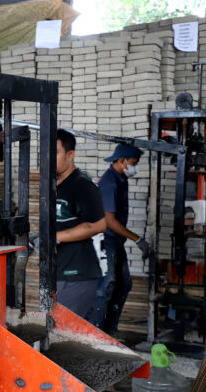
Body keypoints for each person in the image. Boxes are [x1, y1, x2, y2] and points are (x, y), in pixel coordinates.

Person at [88, 143, 150, 334]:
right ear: (122, 161)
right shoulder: (110, 182)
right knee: (107, 284)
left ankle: (110, 331)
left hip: (116, 241)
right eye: (134, 162)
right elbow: (109, 221)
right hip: (105, 240)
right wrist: (138, 239)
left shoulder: (121, 178)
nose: (135, 166)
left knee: (125, 283)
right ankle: (95, 332)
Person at [54, 129, 107, 319]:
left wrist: (54, 238)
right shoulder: (55, 185)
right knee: (56, 332)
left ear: (70, 155)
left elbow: (98, 225)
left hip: (77, 275)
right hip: (59, 272)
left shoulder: (82, 185)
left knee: (64, 333)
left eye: (55, 152)